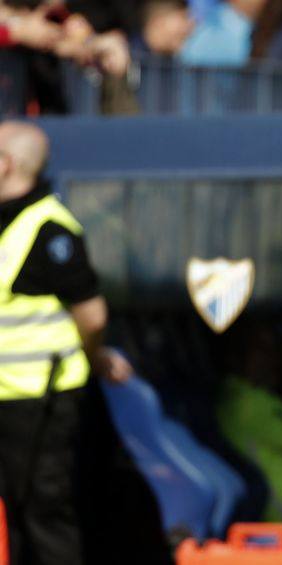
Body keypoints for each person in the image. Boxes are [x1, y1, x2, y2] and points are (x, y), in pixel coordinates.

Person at [0, 121, 132, 565]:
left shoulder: (50, 229)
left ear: (5, 164)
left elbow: (92, 316)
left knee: (44, 511)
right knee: (17, 514)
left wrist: (94, 358)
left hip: (40, 396)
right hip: (10, 395)